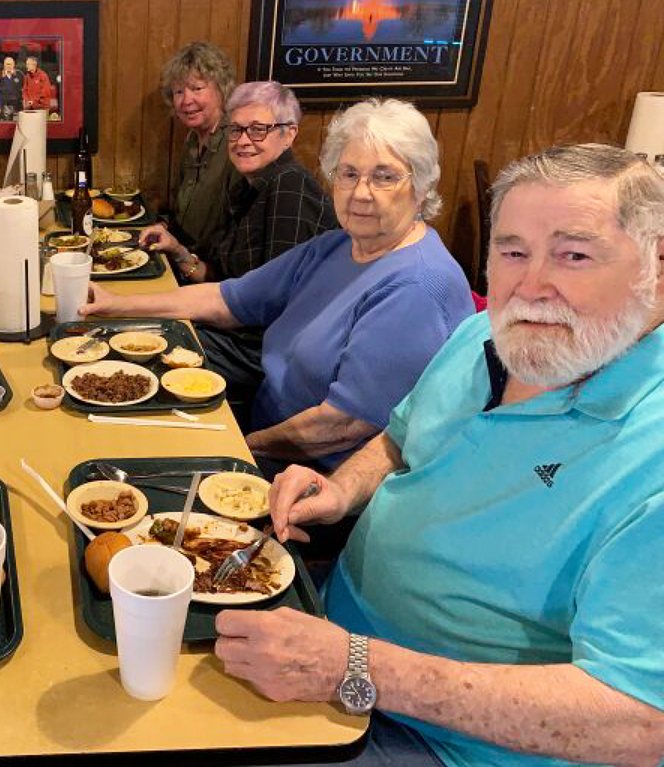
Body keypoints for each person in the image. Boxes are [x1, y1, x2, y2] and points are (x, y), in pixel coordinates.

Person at [217, 144, 664, 767]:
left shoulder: (653, 451)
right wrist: (341, 491)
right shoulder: (483, 333)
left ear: (656, 266)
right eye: (512, 252)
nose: (530, 286)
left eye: (574, 254)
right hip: (325, 624)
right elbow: (399, 440)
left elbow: (641, 721)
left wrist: (351, 663)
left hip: (440, 738)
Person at [82, 99, 474, 471]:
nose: (360, 192)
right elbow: (226, 298)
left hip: (307, 476)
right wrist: (115, 303)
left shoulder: (417, 286)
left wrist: (238, 444)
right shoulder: (337, 245)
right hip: (259, 427)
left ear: (421, 187)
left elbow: (340, 427)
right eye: (348, 173)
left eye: (384, 177)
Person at [138, 81, 337, 417]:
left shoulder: (290, 189)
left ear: (289, 134)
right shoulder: (252, 185)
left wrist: (193, 314)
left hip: (265, 354)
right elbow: (223, 275)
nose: (244, 140)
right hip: (241, 334)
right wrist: (178, 252)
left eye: (258, 130)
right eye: (236, 130)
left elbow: (272, 307)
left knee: (148, 355)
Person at [159, 41, 240, 261]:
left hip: (213, 270)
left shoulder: (237, 142)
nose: (186, 101)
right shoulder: (192, 140)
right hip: (183, 255)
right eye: (178, 92)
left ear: (221, 89)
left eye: (197, 88)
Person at [0, 56, 23, 121]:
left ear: (14, 64)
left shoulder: (19, 74)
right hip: (4, 106)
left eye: (10, 64)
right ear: (4, 65)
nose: (8, 66)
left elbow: (24, 89)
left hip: (17, 106)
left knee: (17, 126)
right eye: (7, 64)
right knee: (6, 126)